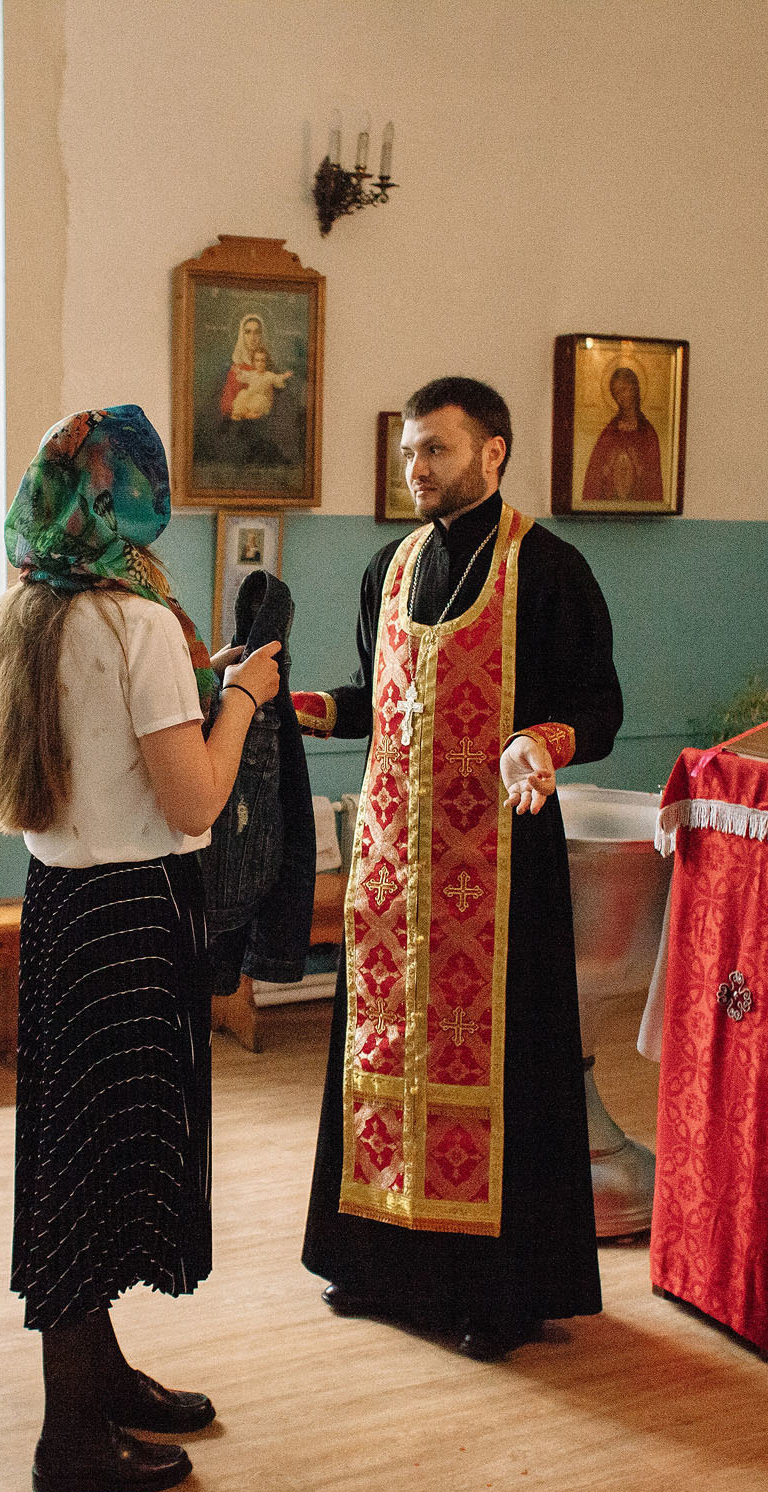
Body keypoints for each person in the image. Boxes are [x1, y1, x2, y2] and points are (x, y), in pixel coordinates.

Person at [288, 376, 624, 1361]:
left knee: (502, 1080)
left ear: (494, 453)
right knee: (380, 1061)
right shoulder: (386, 570)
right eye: (406, 451)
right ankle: (381, 1264)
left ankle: (500, 1294)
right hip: (393, 878)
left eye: (434, 449)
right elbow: (374, 699)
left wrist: (539, 744)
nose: (416, 468)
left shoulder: (551, 569)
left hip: (501, 873)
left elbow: (598, 711)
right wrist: (298, 705)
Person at [0, 404, 283, 1492]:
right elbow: (195, 799)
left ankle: (99, 1376)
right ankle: (70, 1436)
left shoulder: (26, 610)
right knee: (102, 1166)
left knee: (75, 1157)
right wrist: (245, 697)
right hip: (128, 912)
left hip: (59, 909)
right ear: (129, 501)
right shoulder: (138, 626)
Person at [581, 364, 665, 503]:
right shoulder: (609, 432)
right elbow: (593, 478)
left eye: (624, 390)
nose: (620, 397)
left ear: (635, 389)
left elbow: (653, 481)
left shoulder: (647, 434)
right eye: (616, 393)